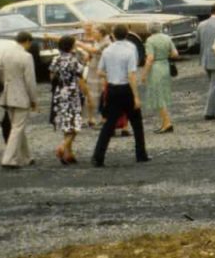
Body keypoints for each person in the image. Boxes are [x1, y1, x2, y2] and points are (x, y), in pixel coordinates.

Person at [92, 25, 148, 167]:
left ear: (113, 35)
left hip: (112, 88)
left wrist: (110, 75)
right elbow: (131, 74)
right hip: (126, 88)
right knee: (136, 122)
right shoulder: (131, 49)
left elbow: (99, 71)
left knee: (109, 124)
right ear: (127, 34)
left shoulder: (107, 50)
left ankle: (98, 156)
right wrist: (136, 96)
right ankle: (141, 154)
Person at [0, 31, 38, 169]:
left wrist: (1, 89)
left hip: (7, 95)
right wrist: (33, 99)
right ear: (27, 41)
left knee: (17, 127)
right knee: (17, 128)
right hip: (21, 96)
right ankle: (8, 159)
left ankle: (26, 157)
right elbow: (30, 80)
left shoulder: (4, 53)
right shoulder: (26, 56)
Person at [49, 35, 88, 165]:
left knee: (66, 123)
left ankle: (69, 153)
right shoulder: (74, 60)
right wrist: (87, 94)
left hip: (60, 93)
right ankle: (63, 146)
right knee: (75, 123)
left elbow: (52, 76)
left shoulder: (56, 59)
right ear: (71, 46)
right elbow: (80, 79)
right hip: (73, 93)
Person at [141, 26, 178, 134]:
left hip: (155, 68)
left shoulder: (150, 40)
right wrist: (165, 55)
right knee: (163, 94)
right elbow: (175, 54)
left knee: (158, 96)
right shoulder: (167, 38)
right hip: (165, 65)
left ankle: (167, 123)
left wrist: (144, 73)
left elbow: (150, 58)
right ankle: (165, 123)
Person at [198, 4, 215, 121]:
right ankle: (209, 112)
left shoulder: (201, 24)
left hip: (205, 58)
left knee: (213, 83)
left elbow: (198, 40)